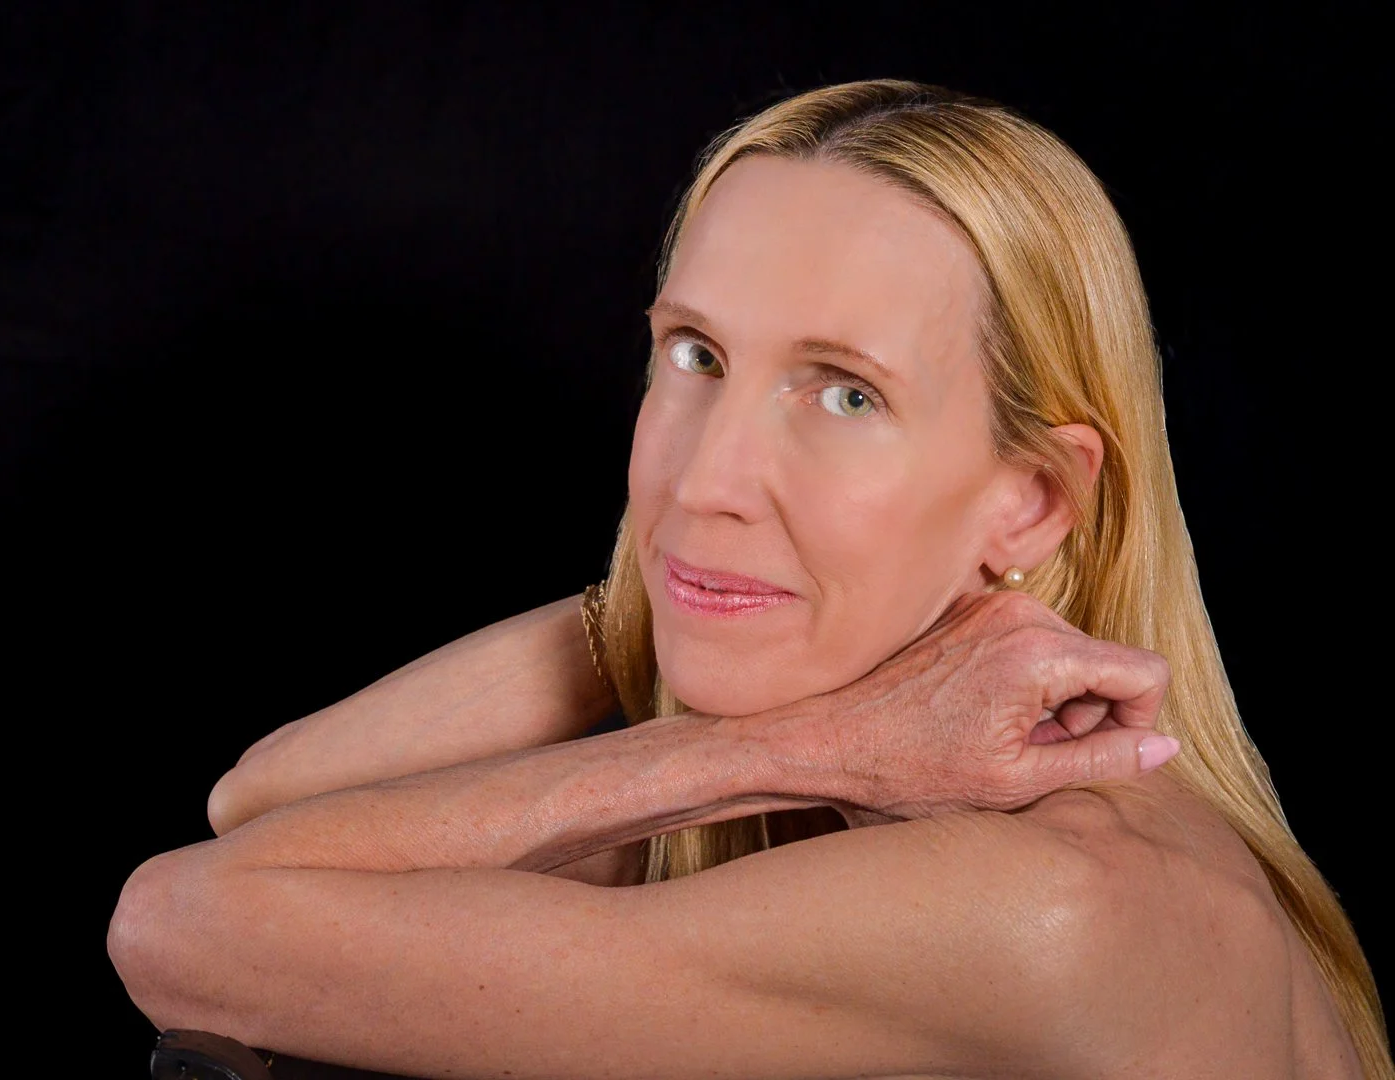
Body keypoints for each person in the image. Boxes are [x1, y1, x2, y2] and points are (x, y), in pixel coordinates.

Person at [108, 80, 1389, 1078]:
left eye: (846, 393)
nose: (709, 474)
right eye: (697, 356)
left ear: (1031, 499)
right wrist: (683, 606)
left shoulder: (1057, 904)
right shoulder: (889, 800)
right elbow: (263, 800)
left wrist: (808, 739)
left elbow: (188, 926)